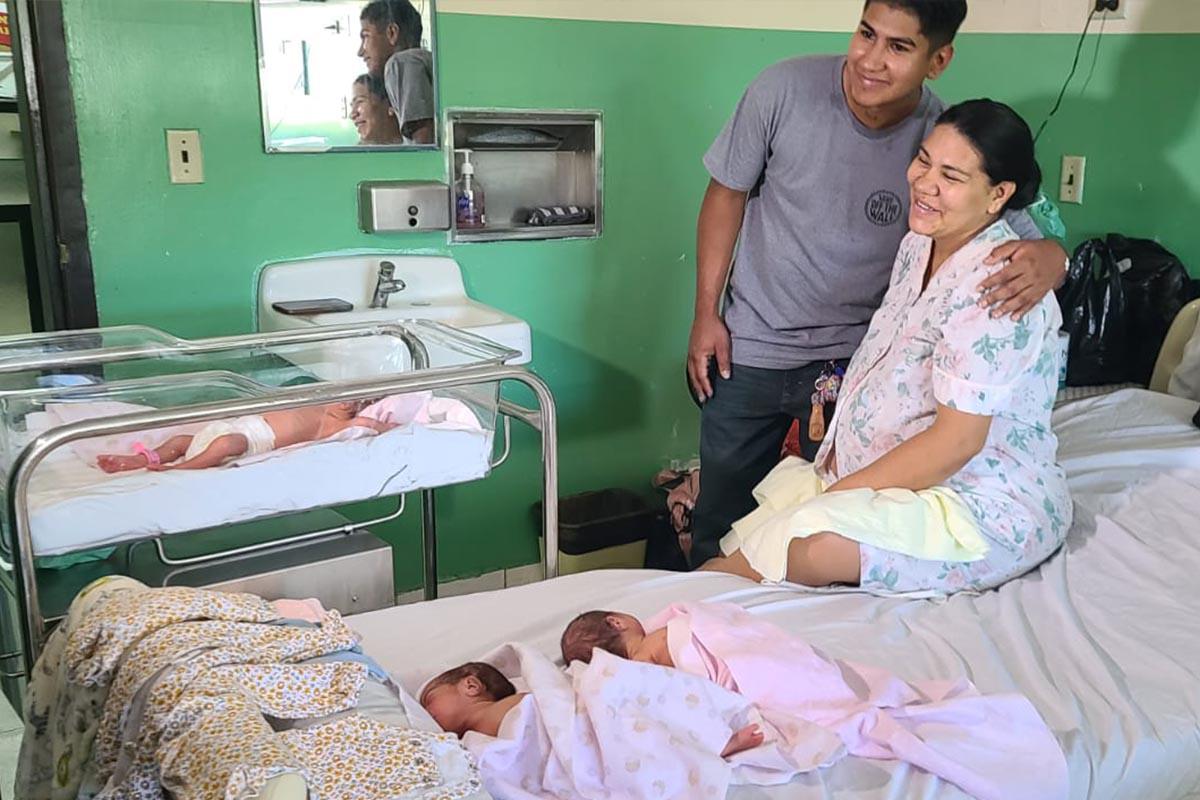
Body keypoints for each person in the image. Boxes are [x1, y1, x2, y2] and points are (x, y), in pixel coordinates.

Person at [686, 0, 1070, 568]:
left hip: (844, 370)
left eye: (898, 47)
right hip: (754, 345)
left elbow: (1021, 231)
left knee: (800, 557)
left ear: (937, 59)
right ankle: (694, 611)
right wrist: (705, 312)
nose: (870, 60)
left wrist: (1056, 258)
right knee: (725, 524)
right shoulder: (784, 91)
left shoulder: (947, 138)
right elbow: (726, 193)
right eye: (866, 34)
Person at [419, 661, 764, 756]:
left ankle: (713, 739)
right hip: (565, 746)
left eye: (430, 700)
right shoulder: (470, 740)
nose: (424, 710)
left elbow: (564, 695)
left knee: (637, 720)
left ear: (470, 685)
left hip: (582, 714)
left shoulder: (519, 700)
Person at [96, 400, 394, 472]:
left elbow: (372, 425)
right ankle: (140, 459)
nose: (347, 401)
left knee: (224, 446)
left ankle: (180, 468)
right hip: (235, 424)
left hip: (249, 442)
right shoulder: (321, 401)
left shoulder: (333, 426)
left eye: (358, 402)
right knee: (180, 442)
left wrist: (383, 424)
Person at [358, 0, 435, 145]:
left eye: (365, 36)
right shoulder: (421, 60)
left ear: (392, 33)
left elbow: (423, 149)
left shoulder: (401, 63)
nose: (360, 51)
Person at [350, 73, 403, 145]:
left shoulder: (416, 151)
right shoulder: (355, 155)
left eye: (360, 101)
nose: (352, 114)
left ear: (391, 104)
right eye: (351, 105)